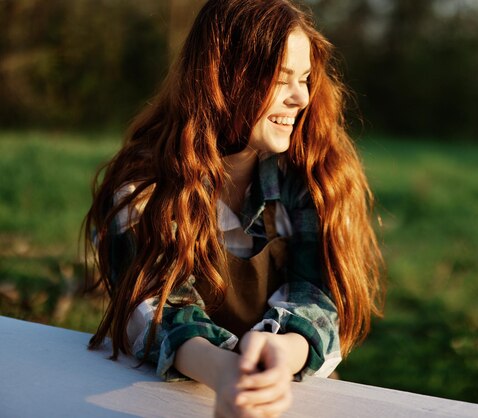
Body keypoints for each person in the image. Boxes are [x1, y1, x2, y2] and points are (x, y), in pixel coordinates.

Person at [85, 1, 384, 417]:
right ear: (225, 80)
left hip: (296, 393)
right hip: (166, 394)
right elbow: (154, 308)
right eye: (282, 80)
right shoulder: (143, 190)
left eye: (305, 78)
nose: (301, 97)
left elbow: (316, 293)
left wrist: (284, 353)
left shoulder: (310, 177)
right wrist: (227, 373)